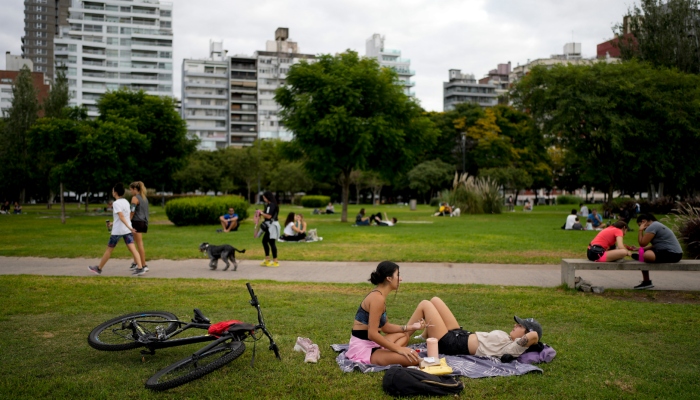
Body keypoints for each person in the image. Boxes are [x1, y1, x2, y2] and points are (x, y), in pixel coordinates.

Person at [345, 261, 424, 367]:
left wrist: (411, 327)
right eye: (398, 275)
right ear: (389, 278)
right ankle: (389, 354)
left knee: (404, 336)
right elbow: (372, 334)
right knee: (413, 359)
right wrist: (398, 349)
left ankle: (389, 353)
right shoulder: (377, 299)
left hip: (373, 343)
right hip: (364, 349)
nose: (400, 279)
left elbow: (385, 327)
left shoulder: (379, 296)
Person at [406, 297, 542, 358]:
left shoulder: (514, 348)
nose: (514, 325)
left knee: (425, 304)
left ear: (526, 334)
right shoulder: (509, 340)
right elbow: (532, 335)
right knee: (435, 300)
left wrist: (531, 340)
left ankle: (403, 336)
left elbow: (534, 335)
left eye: (519, 326)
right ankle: (426, 334)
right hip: (459, 334)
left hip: (451, 343)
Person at [88, 183, 145, 276]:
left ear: (115, 192)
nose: (112, 192)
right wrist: (113, 223)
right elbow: (123, 217)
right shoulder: (126, 202)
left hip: (118, 231)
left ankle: (98, 269)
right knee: (133, 249)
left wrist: (129, 227)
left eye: (113, 190)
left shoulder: (116, 203)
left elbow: (122, 217)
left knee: (109, 250)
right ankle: (140, 268)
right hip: (126, 231)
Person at [630, 213, 683, 290]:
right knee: (642, 254)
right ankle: (646, 282)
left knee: (646, 255)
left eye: (640, 225)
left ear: (643, 221)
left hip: (672, 254)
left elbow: (642, 243)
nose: (643, 228)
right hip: (674, 253)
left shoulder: (652, 226)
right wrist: (638, 249)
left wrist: (640, 230)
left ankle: (646, 280)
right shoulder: (656, 225)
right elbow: (656, 245)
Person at [128, 181, 149, 272]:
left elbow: (132, 211)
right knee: (136, 244)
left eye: (131, 190)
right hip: (144, 222)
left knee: (139, 244)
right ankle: (136, 262)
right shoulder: (144, 198)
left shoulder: (135, 198)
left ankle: (143, 265)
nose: (131, 192)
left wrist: (127, 221)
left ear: (135, 189)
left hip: (137, 222)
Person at [260, 191, 280, 267]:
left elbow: (268, 216)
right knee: (271, 242)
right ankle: (272, 260)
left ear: (268, 197)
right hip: (271, 225)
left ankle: (272, 260)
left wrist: (261, 214)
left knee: (265, 241)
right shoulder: (270, 204)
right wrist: (261, 212)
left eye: (264, 197)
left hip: (272, 225)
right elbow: (267, 213)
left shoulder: (271, 205)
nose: (264, 199)